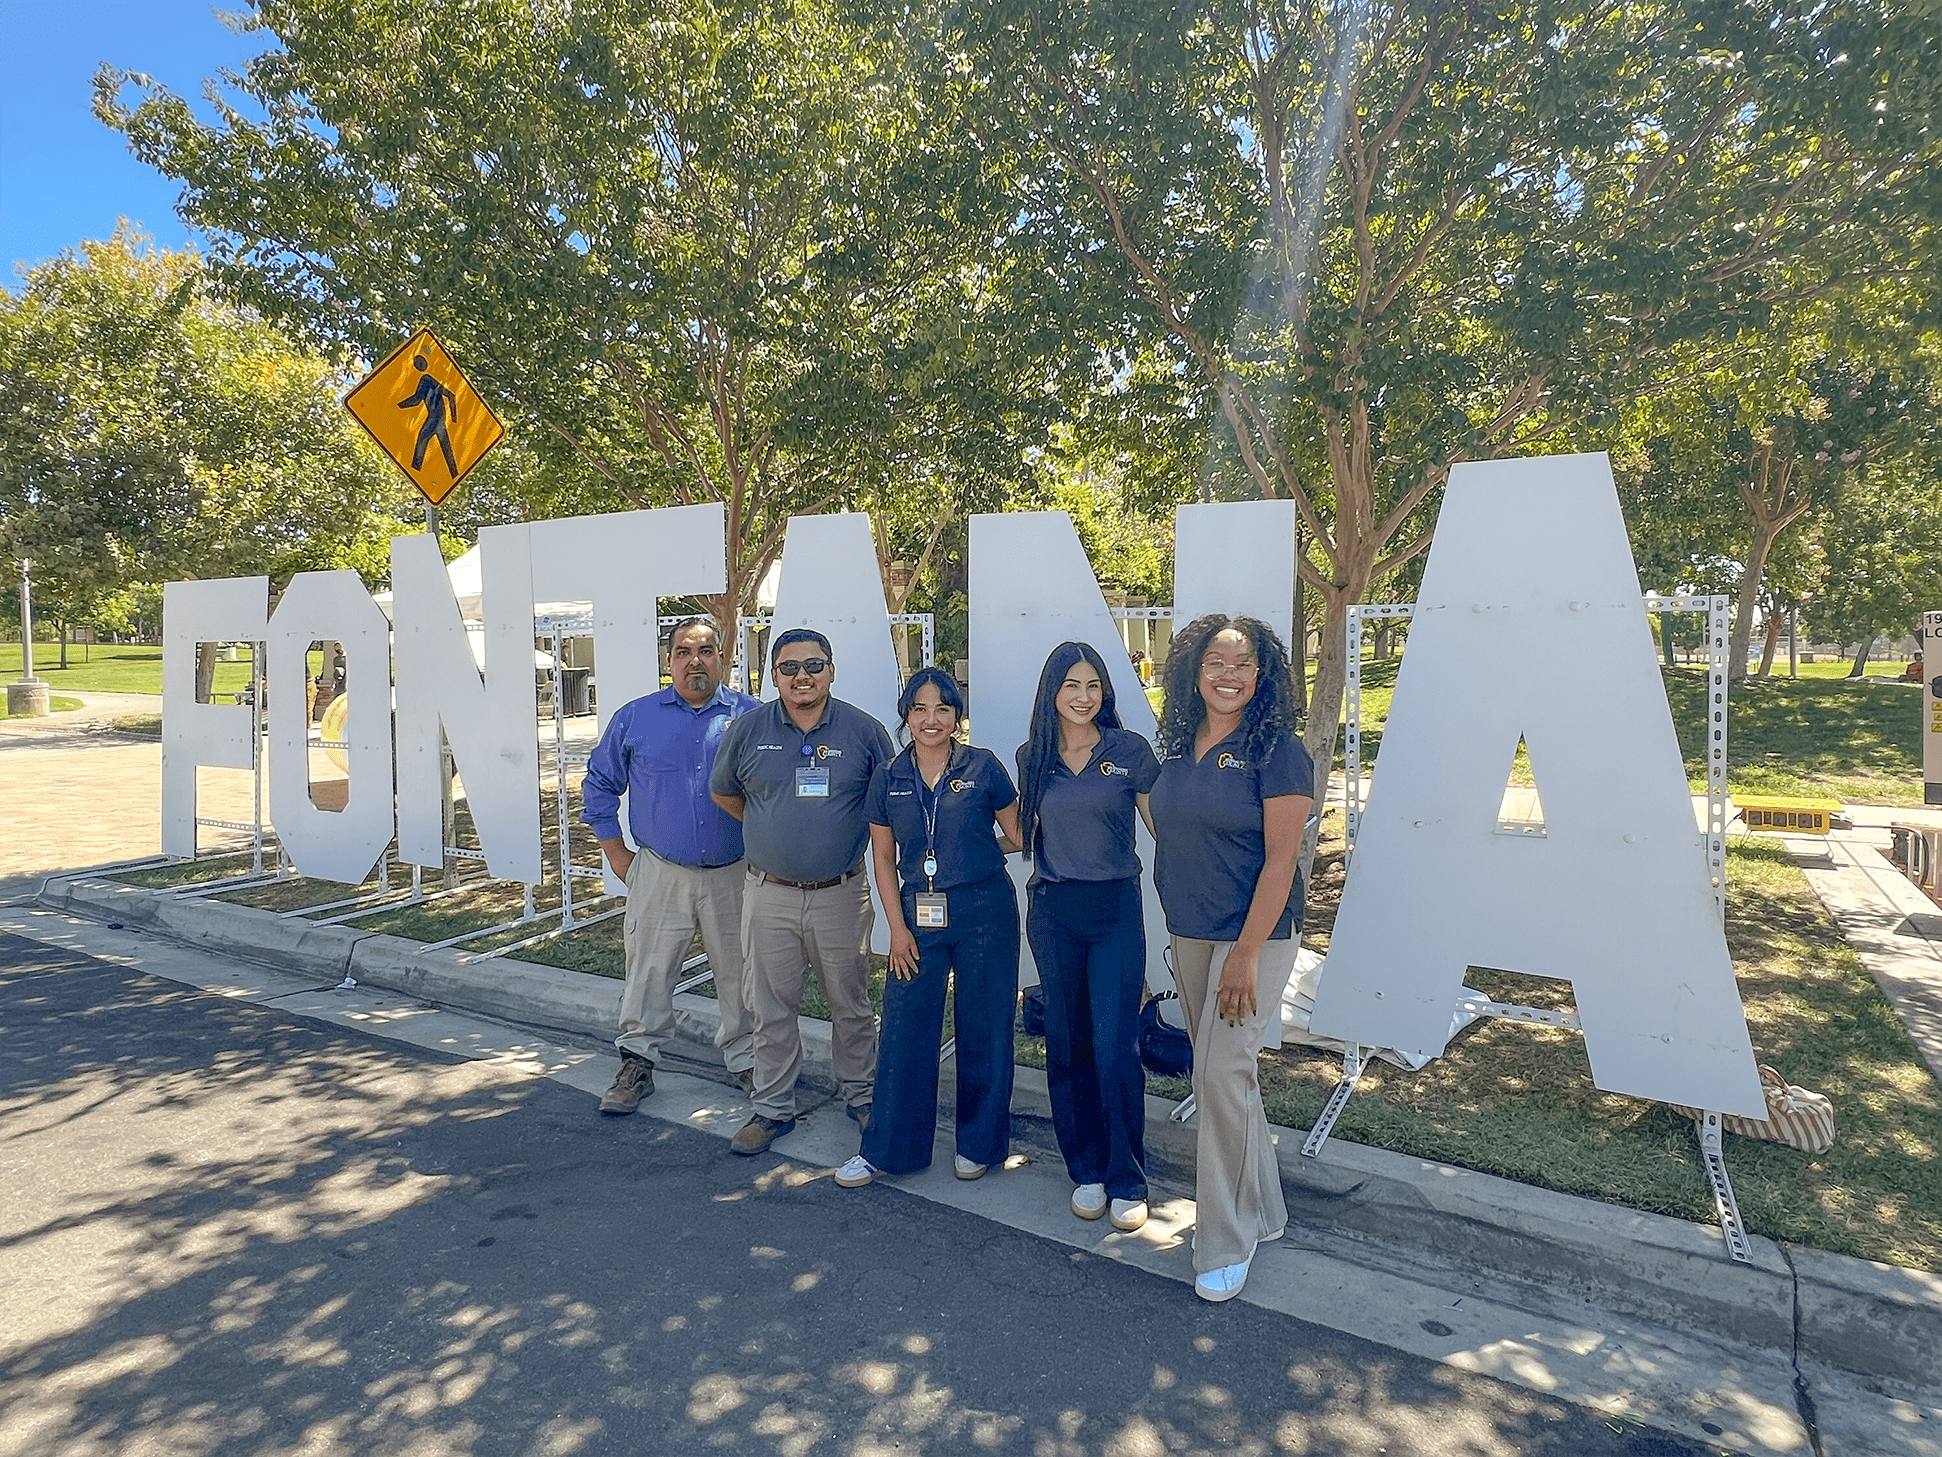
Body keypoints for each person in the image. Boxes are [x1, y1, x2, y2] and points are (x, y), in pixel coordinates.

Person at [1149, 614, 1314, 1303]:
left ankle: (1224, 1238)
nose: (1228, 674)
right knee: (1227, 1078)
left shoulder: (1277, 749)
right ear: (1193, 669)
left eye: (1243, 664)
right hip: (1189, 929)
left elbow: (1282, 859)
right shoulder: (1181, 744)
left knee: (1219, 1074)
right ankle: (1266, 1212)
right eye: (1215, 661)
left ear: (1263, 674)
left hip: (1255, 937)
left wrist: (1246, 953)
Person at [836, 668, 1023, 1189]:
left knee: (984, 1024)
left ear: (956, 716)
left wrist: (980, 849)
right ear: (906, 717)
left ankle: (978, 1144)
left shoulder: (984, 768)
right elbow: (882, 857)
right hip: (916, 915)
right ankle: (889, 1150)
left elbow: (1018, 834)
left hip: (985, 909)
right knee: (904, 1029)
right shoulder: (890, 776)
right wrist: (896, 929)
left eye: (942, 708)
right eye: (919, 709)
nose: (930, 718)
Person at [710, 628, 894, 1156]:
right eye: (789, 668)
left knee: (851, 1003)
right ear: (773, 677)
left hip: (841, 893)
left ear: (831, 671)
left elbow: (887, 799)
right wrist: (771, 831)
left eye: (813, 665)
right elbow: (725, 792)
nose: (802, 677)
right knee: (769, 1007)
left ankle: (862, 1097)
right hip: (769, 894)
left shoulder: (864, 731)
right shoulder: (748, 730)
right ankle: (772, 1108)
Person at [580, 616, 760, 1114]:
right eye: (683, 652)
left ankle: (747, 1060)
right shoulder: (637, 718)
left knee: (741, 972)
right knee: (649, 972)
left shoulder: (754, 718)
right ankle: (637, 1062)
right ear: (669, 660)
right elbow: (598, 785)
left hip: (738, 872)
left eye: (705, 651)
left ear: (723, 658)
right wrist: (617, 854)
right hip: (660, 870)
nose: (694, 661)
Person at [1015, 642, 1160, 1231]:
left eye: (1093, 685)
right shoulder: (1033, 756)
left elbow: (1164, 831)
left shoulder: (1129, 752)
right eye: (1071, 685)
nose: (1083, 696)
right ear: (1052, 690)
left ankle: (1127, 1175)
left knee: (1115, 1044)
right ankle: (1087, 1171)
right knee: (1067, 1042)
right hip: (1054, 912)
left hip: (1114, 913)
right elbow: (1016, 832)